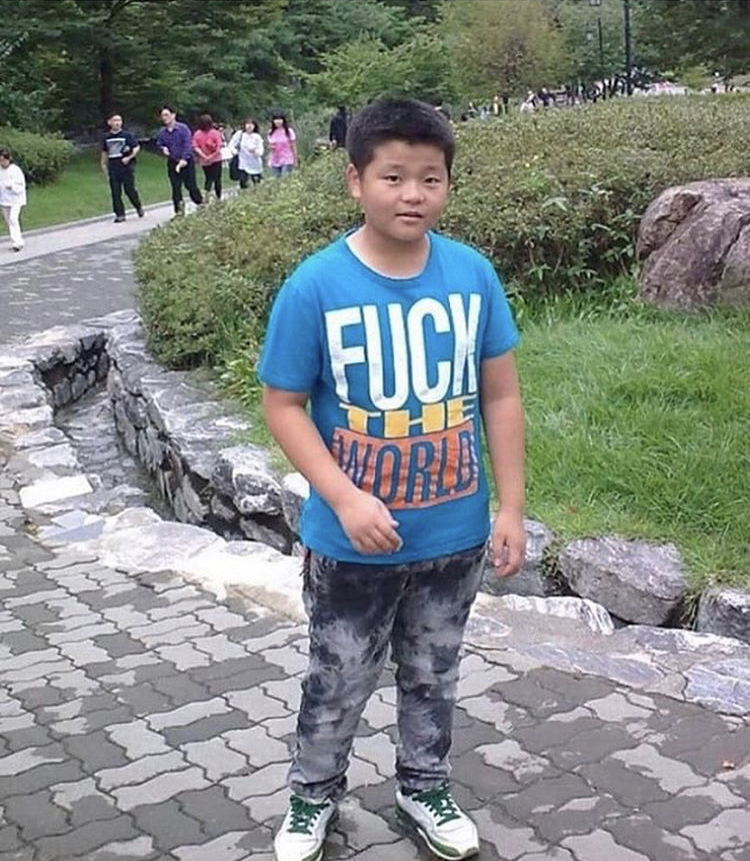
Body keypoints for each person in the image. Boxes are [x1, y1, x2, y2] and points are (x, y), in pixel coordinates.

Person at [259, 97, 526, 861]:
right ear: (355, 181)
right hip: (352, 543)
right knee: (338, 675)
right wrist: (343, 497)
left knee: (434, 672)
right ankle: (313, 796)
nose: (413, 194)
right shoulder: (316, 285)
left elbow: (501, 396)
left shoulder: (472, 274)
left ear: (448, 184)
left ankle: (423, 786)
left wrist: (510, 506)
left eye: (430, 178)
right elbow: (282, 404)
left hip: (454, 534)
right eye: (394, 176)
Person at [156, 105, 203, 215]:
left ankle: (201, 204)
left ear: (173, 115)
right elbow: (159, 143)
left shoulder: (183, 129)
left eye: (167, 115)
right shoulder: (162, 132)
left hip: (186, 162)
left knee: (191, 186)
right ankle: (179, 213)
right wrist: (163, 148)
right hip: (173, 162)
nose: (164, 118)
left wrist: (184, 159)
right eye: (163, 115)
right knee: (176, 188)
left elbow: (188, 144)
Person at [100, 112, 144, 223]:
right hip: (113, 167)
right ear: (109, 122)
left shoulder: (127, 135)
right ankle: (120, 214)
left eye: (119, 120)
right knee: (115, 192)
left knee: (130, 190)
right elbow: (104, 152)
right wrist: (104, 165)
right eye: (114, 120)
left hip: (126, 167)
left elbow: (136, 147)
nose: (117, 123)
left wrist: (129, 157)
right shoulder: (106, 137)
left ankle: (138, 206)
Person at [0, 148, 27, 252]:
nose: (2, 163)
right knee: (8, 221)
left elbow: (21, 185)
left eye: (3, 160)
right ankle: (14, 239)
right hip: (4, 199)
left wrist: (12, 186)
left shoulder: (15, 170)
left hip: (16, 199)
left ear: (8, 159)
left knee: (13, 218)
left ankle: (18, 242)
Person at [192, 113, 224, 200]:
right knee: (213, 179)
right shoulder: (201, 134)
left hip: (211, 160)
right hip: (211, 160)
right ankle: (213, 197)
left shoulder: (213, 133)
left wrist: (207, 157)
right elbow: (195, 146)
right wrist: (208, 157)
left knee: (212, 179)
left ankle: (212, 196)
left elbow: (218, 147)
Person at [230, 118, 264, 188]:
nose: (249, 126)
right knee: (243, 182)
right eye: (247, 124)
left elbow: (261, 151)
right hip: (243, 163)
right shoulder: (240, 134)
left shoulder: (257, 137)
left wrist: (255, 151)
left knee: (256, 183)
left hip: (255, 163)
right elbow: (231, 145)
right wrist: (235, 152)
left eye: (252, 124)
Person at [267, 112, 297, 178]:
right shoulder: (271, 132)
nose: (277, 121)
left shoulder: (289, 131)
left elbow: (293, 146)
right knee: (276, 179)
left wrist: (295, 159)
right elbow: (270, 146)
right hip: (275, 159)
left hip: (287, 159)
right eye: (275, 119)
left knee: (285, 177)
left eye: (279, 119)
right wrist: (270, 147)